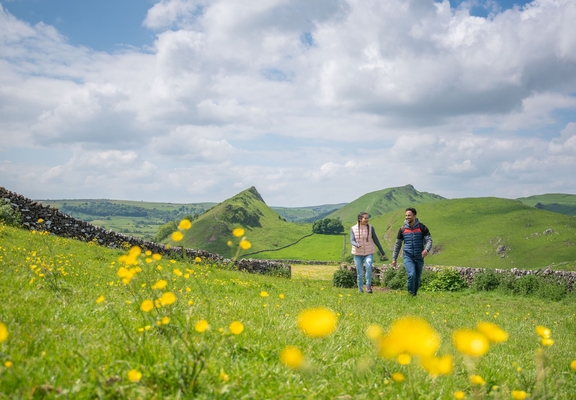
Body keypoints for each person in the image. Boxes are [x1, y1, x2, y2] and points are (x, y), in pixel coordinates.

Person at [392, 207, 432, 296]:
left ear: (414, 216)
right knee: (412, 275)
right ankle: (411, 295)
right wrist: (394, 258)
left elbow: (429, 240)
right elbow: (397, 245)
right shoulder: (402, 229)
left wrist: (426, 249)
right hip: (408, 256)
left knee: (417, 278)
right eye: (406, 215)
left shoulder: (422, 227)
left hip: (419, 256)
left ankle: (414, 295)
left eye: (409, 215)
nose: (407, 217)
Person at [350, 212, 386, 293]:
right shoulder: (353, 228)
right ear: (360, 219)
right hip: (357, 253)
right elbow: (352, 240)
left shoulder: (371, 228)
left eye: (367, 218)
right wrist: (356, 244)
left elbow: (375, 239)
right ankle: (360, 289)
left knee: (369, 266)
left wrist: (381, 250)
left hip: (368, 252)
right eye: (365, 218)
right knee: (360, 273)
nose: (367, 220)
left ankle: (368, 286)